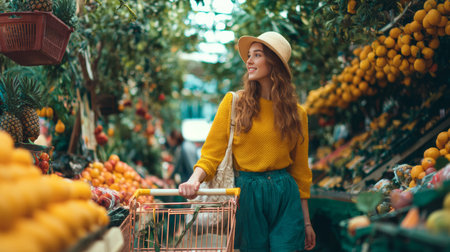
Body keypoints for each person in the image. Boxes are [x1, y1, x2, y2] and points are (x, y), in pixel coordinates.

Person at [179, 31, 316, 251]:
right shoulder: (235, 103)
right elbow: (211, 154)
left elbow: (300, 171)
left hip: (286, 195)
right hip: (247, 194)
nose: (249, 61)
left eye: (257, 55)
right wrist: (194, 180)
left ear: (274, 62)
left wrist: (307, 222)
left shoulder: (297, 114)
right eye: (249, 56)